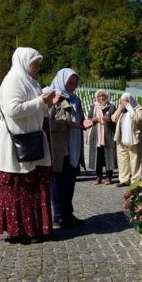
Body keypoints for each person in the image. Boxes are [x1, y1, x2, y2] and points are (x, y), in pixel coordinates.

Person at [0, 47, 55, 243]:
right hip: (15, 142)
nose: (37, 67)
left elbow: (36, 107)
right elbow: (12, 109)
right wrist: (40, 101)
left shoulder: (29, 80)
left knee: (32, 184)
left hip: (30, 137)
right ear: (24, 62)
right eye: (34, 63)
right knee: (19, 186)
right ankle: (20, 231)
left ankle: (33, 229)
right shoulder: (13, 80)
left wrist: (46, 103)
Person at [47, 68, 92, 228]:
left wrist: (86, 122)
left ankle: (68, 213)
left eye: (74, 83)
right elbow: (45, 123)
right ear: (61, 81)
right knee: (58, 183)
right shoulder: (51, 96)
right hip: (58, 147)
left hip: (73, 146)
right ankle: (59, 215)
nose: (72, 86)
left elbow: (79, 121)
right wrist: (65, 124)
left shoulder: (75, 100)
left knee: (69, 182)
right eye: (69, 83)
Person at [112, 92, 142, 187]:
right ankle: (124, 179)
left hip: (134, 138)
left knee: (135, 160)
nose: (124, 103)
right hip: (121, 139)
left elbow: (138, 119)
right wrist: (120, 109)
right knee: (122, 160)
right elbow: (113, 118)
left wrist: (129, 107)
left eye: (126, 101)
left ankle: (135, 180)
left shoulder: (138, 108)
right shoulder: (121, 109)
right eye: (122, 101)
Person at [87, 90, 117, 185]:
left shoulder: (111, 106)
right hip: (96, 135)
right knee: (98, 157)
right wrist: (93, 119)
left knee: (109, 155)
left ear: (106, 96)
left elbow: (116, 120)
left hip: (108, 135)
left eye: (103, 96)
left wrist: (109, 120)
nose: (101, 98)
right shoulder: (94, 106)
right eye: (99, 96)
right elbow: (89, 118)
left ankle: (109, 177)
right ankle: (98, 176)